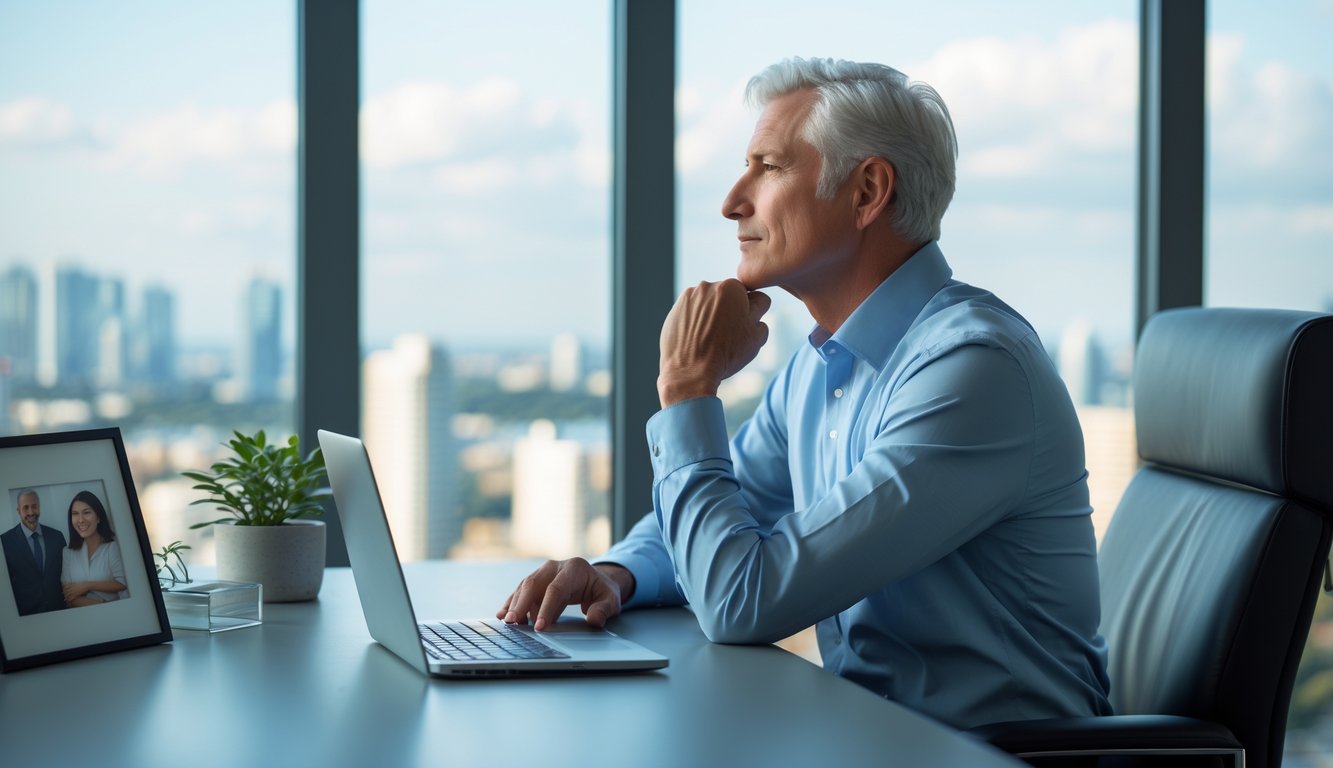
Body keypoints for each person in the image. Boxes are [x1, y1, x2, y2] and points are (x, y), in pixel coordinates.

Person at [497, 57, 1112, 729]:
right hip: (868, 735)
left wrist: (686, 386)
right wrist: (617, 575)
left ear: (867, 191)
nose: (733, 201)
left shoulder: (971, 371)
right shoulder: (818, 365)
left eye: (769, 166)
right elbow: (732, 515)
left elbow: (742, 601)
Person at [1, 488, 69, 615]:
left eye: (34, 506)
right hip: (26, 616)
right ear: (18, 511)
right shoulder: (4, 542)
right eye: (25, 508)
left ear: (39, 507)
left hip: (60, 610)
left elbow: (67, 572)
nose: (31, 512)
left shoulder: (57, 536)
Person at [61, 490, 128, 607]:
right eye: (75, 514)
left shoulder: (113, 548)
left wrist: (88, 585)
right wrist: (105, 604)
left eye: (86, 512)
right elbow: (69, 595)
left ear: (98, 517)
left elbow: (123, 583)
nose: (80, 520)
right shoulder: (68, 552)